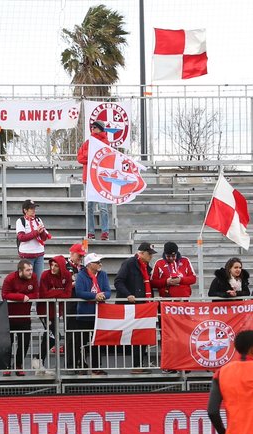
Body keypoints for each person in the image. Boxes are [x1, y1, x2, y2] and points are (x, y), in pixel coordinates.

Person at [115, 242, 156, 372]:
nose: (151, 256)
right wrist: (128, 295)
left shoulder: (146, 266)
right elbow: (118, 281)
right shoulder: (129, 263)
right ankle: (137, 365)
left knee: (143, 334)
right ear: (141, 253)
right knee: (137, 335)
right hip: (133, 306)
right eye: (149, 254)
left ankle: (139, 364)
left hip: (144, 305)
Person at [74, 253, 112, 375]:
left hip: (99, 313)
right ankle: (81, 365)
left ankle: (96, 367)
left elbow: (108, 291)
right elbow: (79, 292)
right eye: (97, 262)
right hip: (85, 313)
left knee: (97, 342)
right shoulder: (81, 275)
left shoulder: (103, 274)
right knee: (82, 342)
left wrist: (102, 295)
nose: (100, 264)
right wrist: (94, 296)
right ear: (89, 265)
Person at [77, 117, 113, 240]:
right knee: (89, 206)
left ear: (101, 129)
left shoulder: (106, 143)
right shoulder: (88, 142)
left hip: (101, 178)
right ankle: (90, 232)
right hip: (88, 178)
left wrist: (92, 155)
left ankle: (105, 232)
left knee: (103, 207)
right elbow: (80, 158)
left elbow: (107, 159)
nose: (93, 129)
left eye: (95, 127)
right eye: (92, 127)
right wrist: (92, 155)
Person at [1, 260, 38, 376]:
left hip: (25, 317)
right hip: (9, 317)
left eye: (31, 269)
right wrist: (21, 297)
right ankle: (7, 365)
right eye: (28, 270)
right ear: (20, 271)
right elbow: (5, 294)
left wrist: (28, 297)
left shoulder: (34, 277)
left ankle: (18, 365)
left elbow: (37, 294)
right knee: (8, 343)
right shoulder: (10, 278)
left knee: (24, 343)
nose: (30, 272)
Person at [38, 255, 73, 367]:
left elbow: (67, 295)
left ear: (61, 267)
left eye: (56, 266)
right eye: (52, 265)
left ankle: (39, 360)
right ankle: (38, 359)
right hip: (44, 310)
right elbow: (43, 295)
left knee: (50, 335)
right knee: (54, 335)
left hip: (57, 311)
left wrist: (53, 292)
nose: (53, 267)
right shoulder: (45, 275)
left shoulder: (67, 275)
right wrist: (60, 292)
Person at [15, 199, 51, 278]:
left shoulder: (38, 219)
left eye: (34, 208)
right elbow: (22, 237)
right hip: (27, 255)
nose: (34, 210)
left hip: (39, 254)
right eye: (31, 208)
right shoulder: (20, 221)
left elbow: (44, 238)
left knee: (38, 280)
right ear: (25, 210)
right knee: (27, 280)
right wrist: (36, 232)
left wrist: (42, 232)